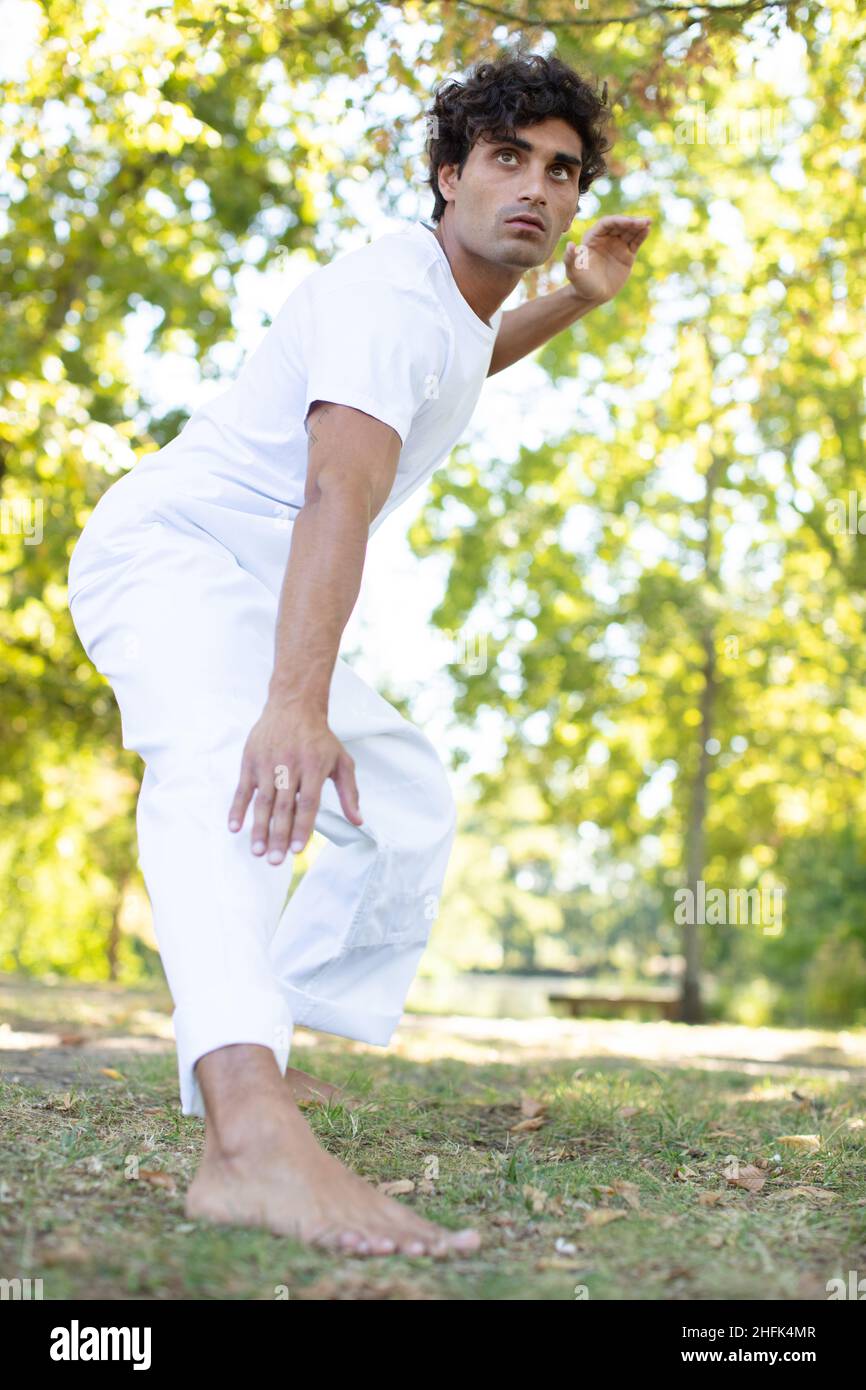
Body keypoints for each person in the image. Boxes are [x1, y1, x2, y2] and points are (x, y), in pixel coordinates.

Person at [67, 51, 650, 1258]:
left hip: (259, 581)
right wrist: (290, 702)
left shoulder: (443, 309)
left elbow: (459, 362)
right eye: (505, 159)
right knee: (241, 776)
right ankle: (246, 1132)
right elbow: (337, 489)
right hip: (174, 555)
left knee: (403, 801)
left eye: (562, 169)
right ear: (447, 174)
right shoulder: (390, 297)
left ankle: (274, 1046)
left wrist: (577, 299)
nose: (537, 187)